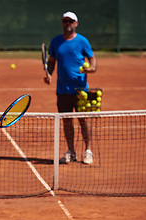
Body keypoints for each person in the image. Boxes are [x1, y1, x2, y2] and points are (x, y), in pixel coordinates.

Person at [44, 11, 97, 164]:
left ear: (76, 23)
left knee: (83, 120)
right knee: (66, 121)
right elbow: (52, 61)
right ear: (62, 23)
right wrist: (49, 74)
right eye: (65, 21)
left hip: (81, 90)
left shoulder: (82, 41)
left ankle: (88, 151)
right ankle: (71, 151)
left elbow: (92, 59)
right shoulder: (56, 42)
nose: (68, 23)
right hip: (62, 90)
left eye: (70, 21)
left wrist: (92, 68)